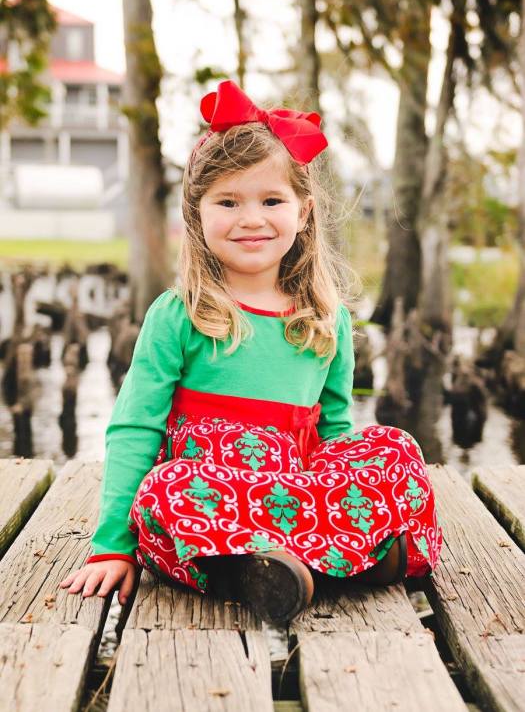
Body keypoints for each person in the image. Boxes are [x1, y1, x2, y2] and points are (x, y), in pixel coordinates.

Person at [59, 80, 442, 624]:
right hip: (214, 496)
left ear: (304, 212)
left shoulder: (326, 318)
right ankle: (295, 568)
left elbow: (335, 432)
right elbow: (135, 428)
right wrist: (112, 547)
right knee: (163, 491)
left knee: (393, 446)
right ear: (197, 213)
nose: (252, 218)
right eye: (228, 202)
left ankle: (304, 563)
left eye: (271, 201)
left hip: (299, 490)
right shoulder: (180, 314)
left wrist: (344, 483)